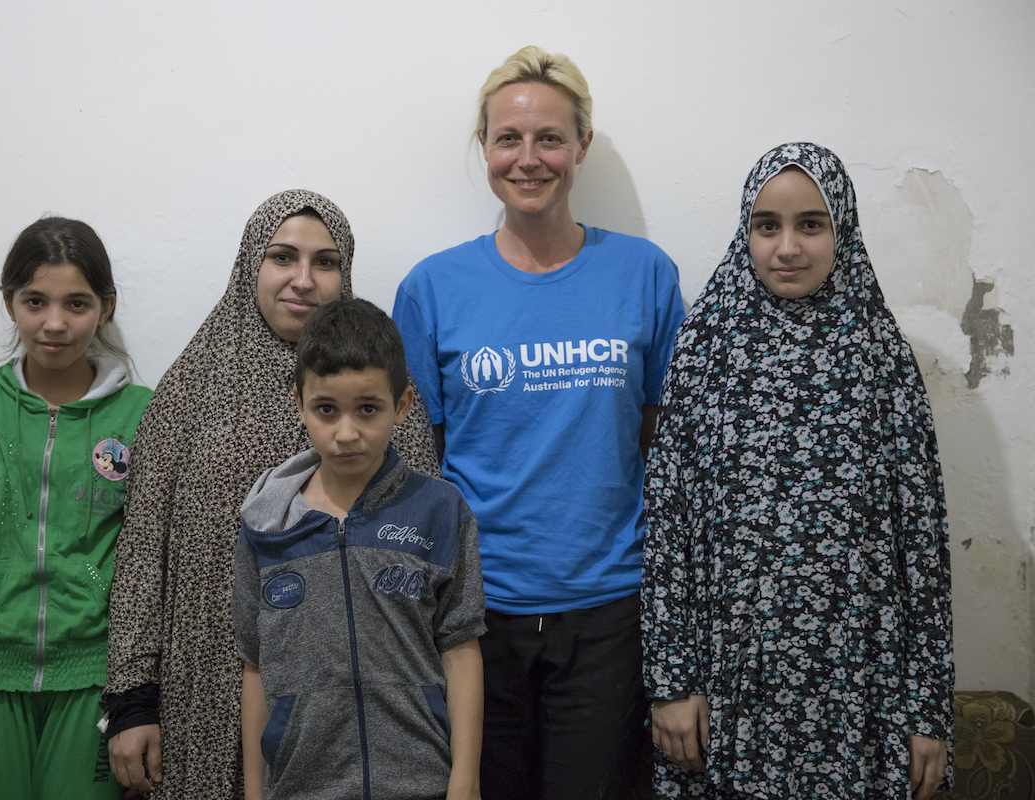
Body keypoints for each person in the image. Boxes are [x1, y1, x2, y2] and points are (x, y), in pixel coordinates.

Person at [392, 46, 686, 799]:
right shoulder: (431, 289)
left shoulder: (645, 275)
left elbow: (662, 438)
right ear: (484, 147)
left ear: (581, 145)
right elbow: (423, 456)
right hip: (476, 614)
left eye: (549, 138)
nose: (528, 158)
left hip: (609, 607)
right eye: (508, 139)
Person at [641, 142, 954, 799]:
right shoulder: (704, 350)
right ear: (745, 233)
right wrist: (671, 681)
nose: (787, 247)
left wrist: (927, 710)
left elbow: (922, 544)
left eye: (811, 224)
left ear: (843, 230)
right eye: (767, 226)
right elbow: (668, 526)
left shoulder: (880, 356)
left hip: (860, 688)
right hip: (727, 682)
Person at [104, 191, 441, 798]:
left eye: (326, 262)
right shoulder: (188, 391)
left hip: (350, 705)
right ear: (249, 265)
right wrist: (132, 699)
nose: (303, 280)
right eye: (282, 257)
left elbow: (425, 552)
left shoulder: (385, 395)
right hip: (204, 693)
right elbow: (142, 551)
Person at [0, 217, 152, 799]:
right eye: (35, 301)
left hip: (95, 679)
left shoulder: (145, 414)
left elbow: (152, 569)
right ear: (9, 303)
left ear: (105, 307)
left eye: (76, 303)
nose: (54, 323)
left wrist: (139, 702)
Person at [234, 298, 486, 800]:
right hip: (301, 787)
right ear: (299, 403)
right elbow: (255, 665)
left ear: (403, 405)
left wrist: (465, 781)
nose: (346, 433)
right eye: (326, 409)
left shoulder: (440, 510)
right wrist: (255, 793)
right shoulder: (264, 525)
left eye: (368, 409)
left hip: (423, 783)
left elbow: (460, 650)